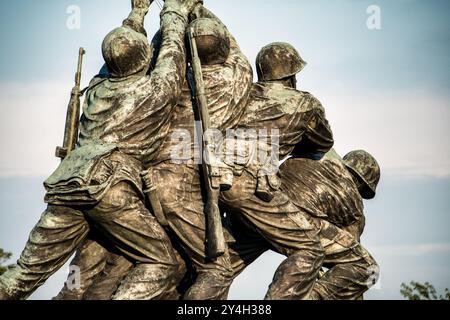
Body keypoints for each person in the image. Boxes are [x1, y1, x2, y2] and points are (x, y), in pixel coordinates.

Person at [0, 0, 202, 300]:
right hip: (108, 186)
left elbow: (115, 55)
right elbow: (172, 51)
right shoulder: (156, 91)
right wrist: (174, 9)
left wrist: (137, 12)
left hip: (66, 185)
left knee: (23, 275)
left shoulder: (97, 88)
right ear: (145, 58)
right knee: (163, 262)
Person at [55, 5, 253, 300]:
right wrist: (196, 8)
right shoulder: (234, 79)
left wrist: (143, 15)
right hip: (174, 189)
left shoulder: (153, 85)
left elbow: (128, 62)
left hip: (131, 186)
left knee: (107, 268)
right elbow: (233, 50)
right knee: (214, 269)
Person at [218, 42, 335, 299]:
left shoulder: (242, 94)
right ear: (292, 75)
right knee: (310, 249)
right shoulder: (305, 103)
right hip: (254, 187)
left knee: (219, 266)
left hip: (219, 179)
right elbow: (322, 144)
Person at [227, 149, 381, 300]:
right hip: (300, 226)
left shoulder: (303, 157)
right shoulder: (353, 200)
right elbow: (350, 247)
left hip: (260, 209)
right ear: (361, 184)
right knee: (367, 268)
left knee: (218, 270)